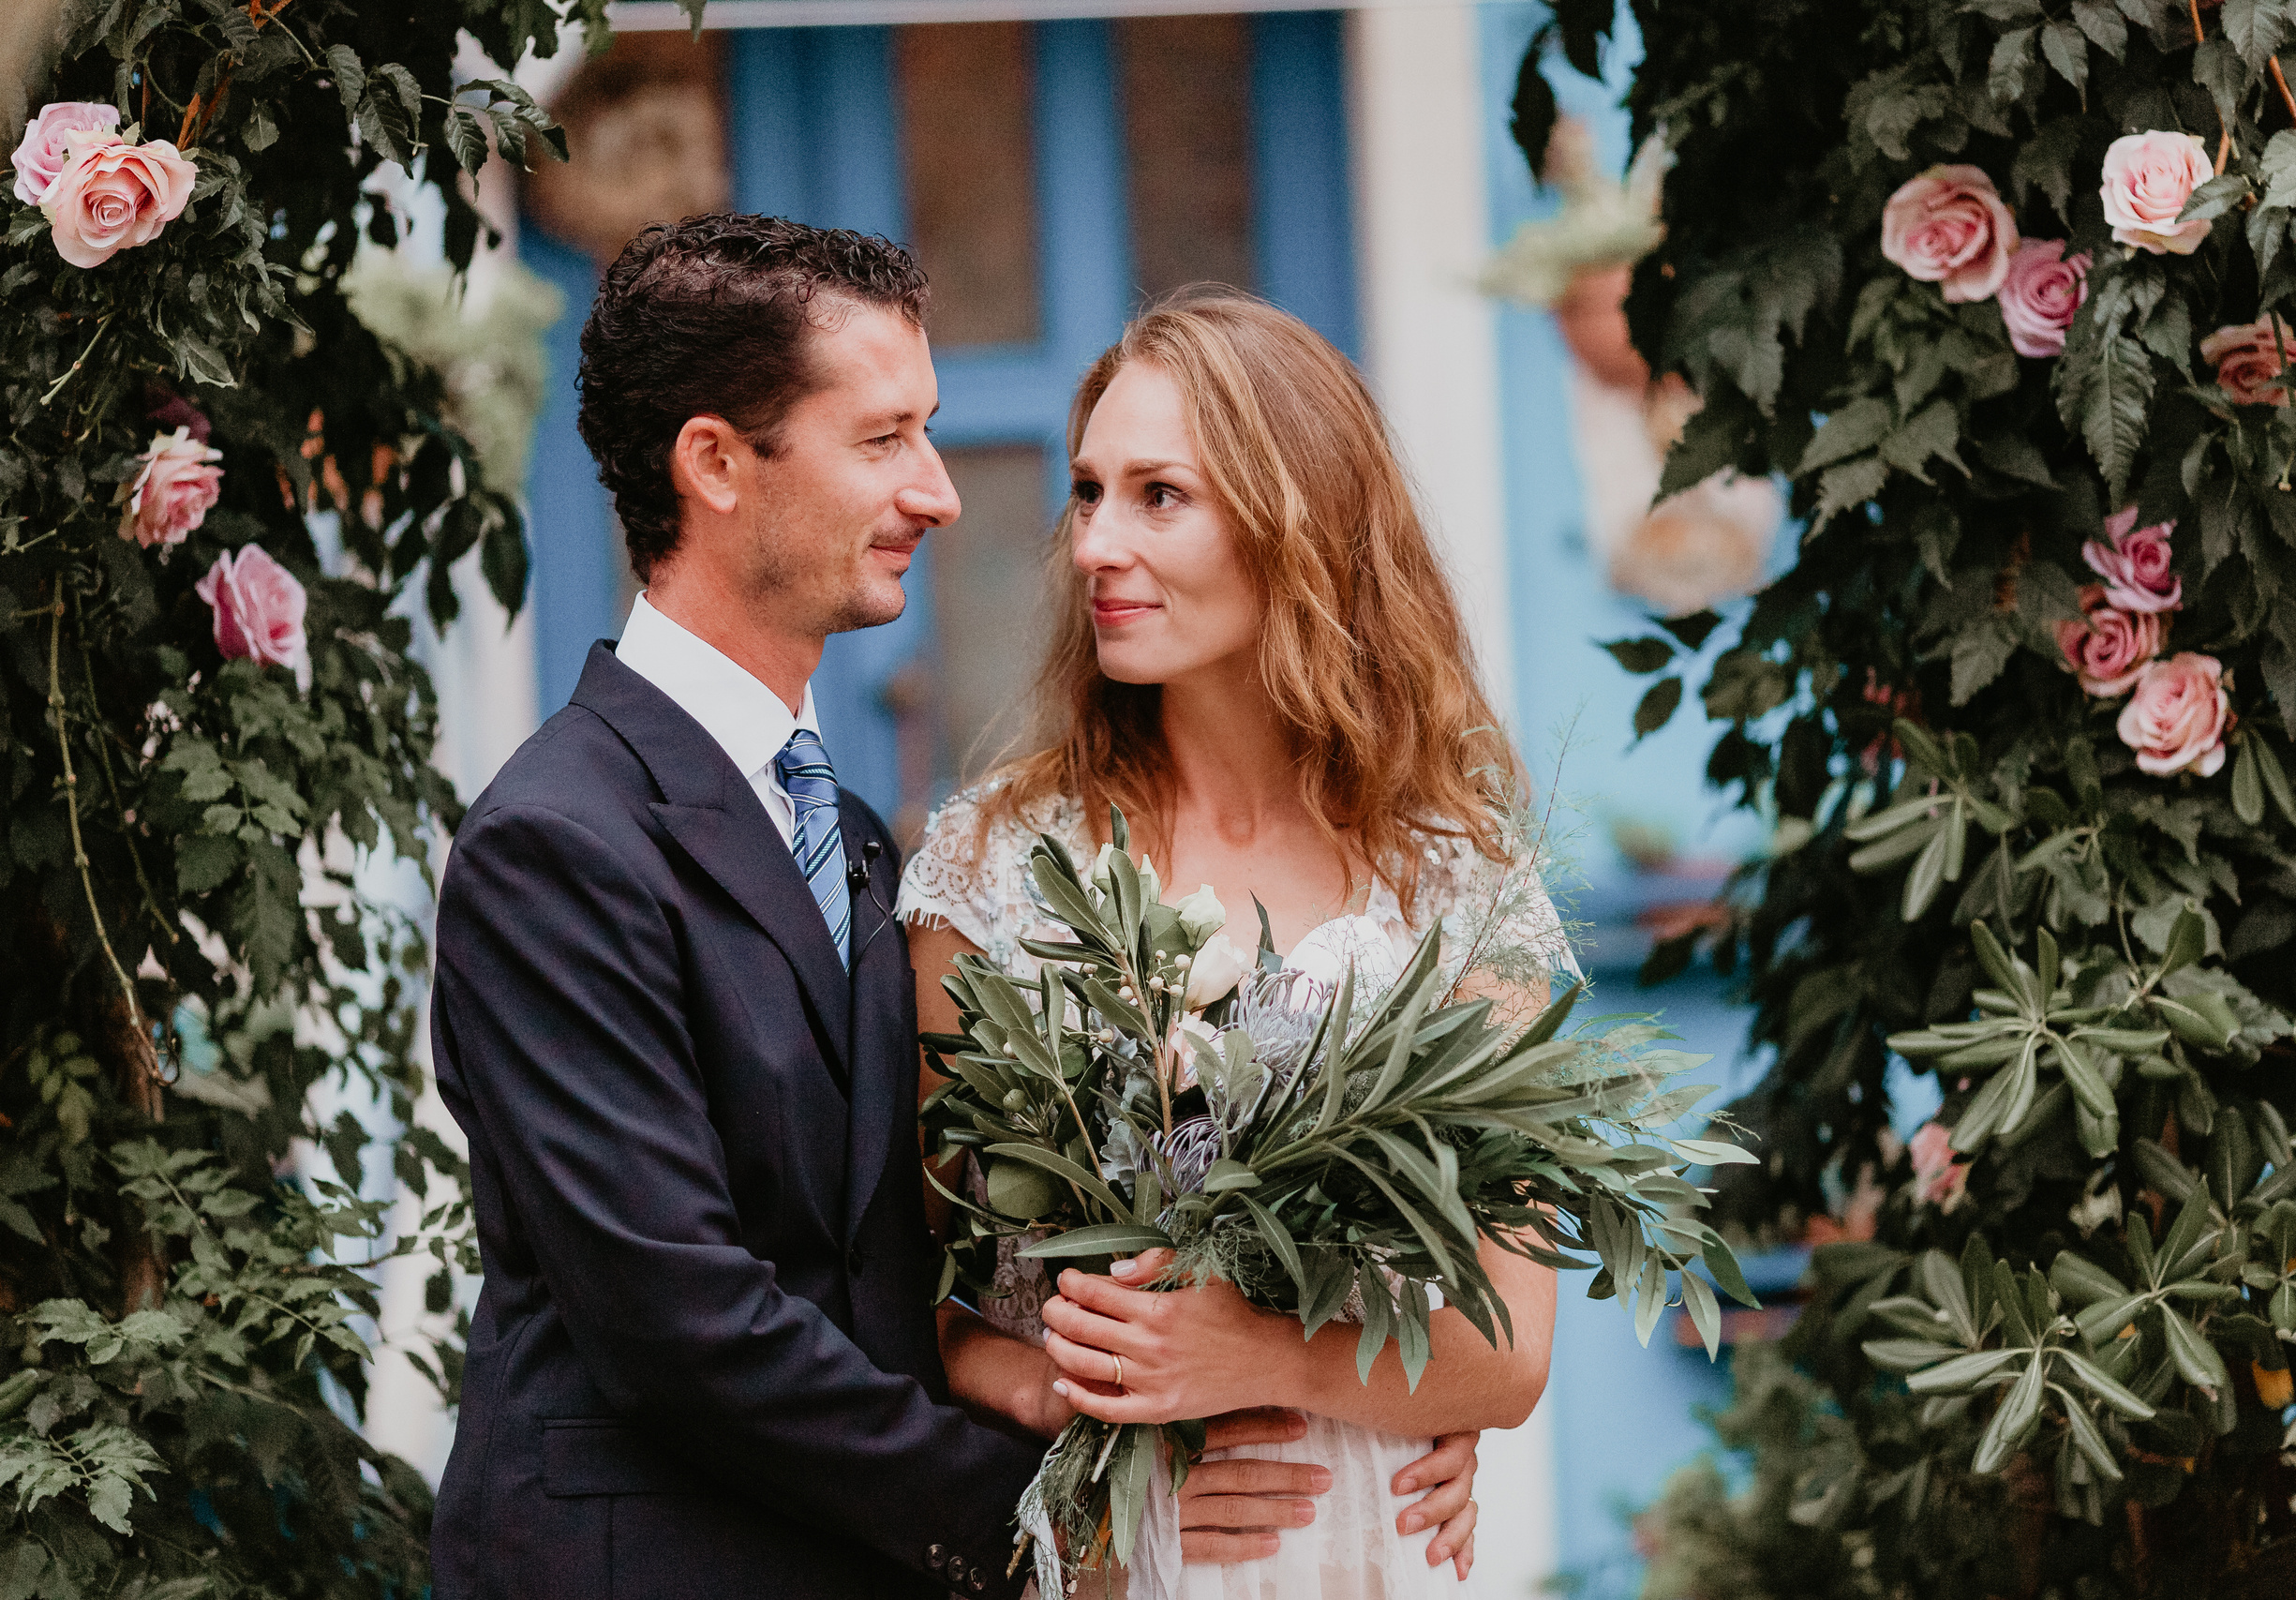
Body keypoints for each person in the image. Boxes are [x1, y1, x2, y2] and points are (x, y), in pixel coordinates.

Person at [425, 217, 1477, 1600]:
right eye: (884, 441)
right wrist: (1067, 1515)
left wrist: (1358, 1399)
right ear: (716, 464)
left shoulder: (846, 833)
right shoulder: (555, 844)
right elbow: (686, 1329)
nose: (942, 491)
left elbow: (907, 1256)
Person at [902, 292, 1569, 1597]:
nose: (1096, 541)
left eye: (1160, 496)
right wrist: (1073, 1402)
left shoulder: (1457, 877)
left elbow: (1515, 1349)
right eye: (1089, 491)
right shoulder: (992, 871)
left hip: (1371, 1542)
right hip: (1116, 1551)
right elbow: (915, 1303)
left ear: (1297, 528)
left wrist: (1260, 1357)